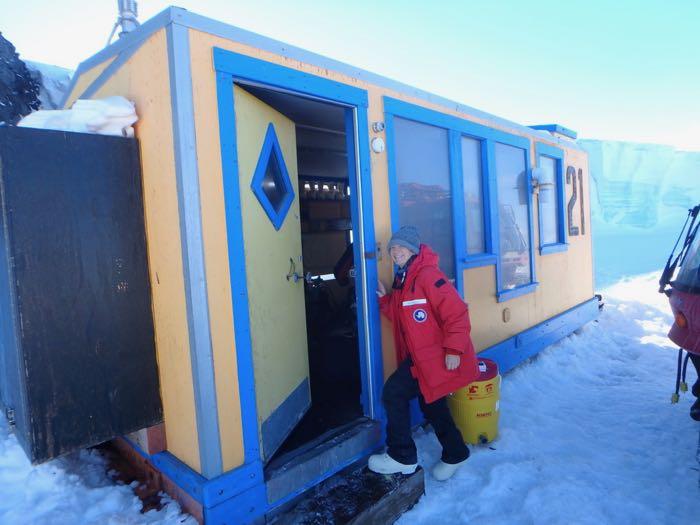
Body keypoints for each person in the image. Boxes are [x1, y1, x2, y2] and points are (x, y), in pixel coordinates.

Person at [368, 226, 479, 481]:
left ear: (413, 250)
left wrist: (454, 349)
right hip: (421, 359)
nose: (395, 252)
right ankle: (456, 452)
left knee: (393, 392)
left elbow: (457, 312)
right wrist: (387, 301)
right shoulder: (404, 278)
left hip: (435, 357)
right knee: (432, 405)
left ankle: (401, 456)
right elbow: (403, 318)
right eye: (393, 248)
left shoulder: (428, 275)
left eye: (401, 247)